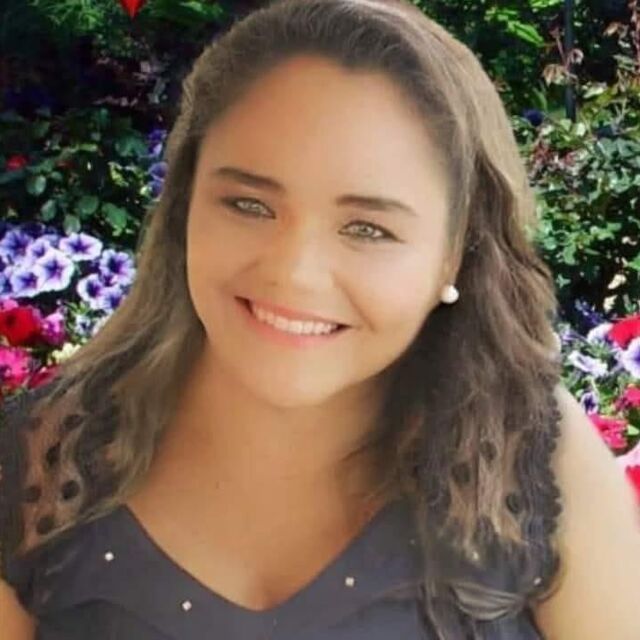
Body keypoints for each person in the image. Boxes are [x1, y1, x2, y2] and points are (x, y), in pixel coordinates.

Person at [1, 0, 640, 638]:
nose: (294, 274)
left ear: (457, 254)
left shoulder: (537, 464)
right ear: (184, 205)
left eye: (367, 228)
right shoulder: (45, 460)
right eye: (249, 205)